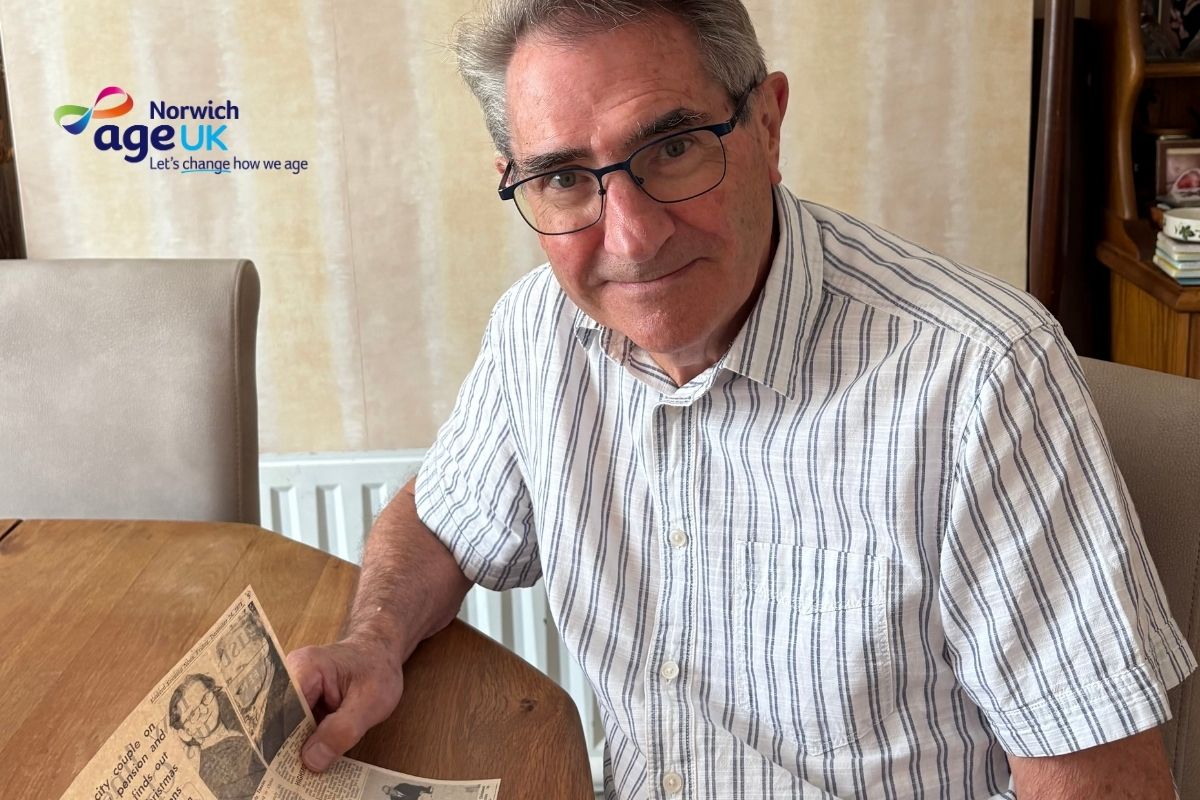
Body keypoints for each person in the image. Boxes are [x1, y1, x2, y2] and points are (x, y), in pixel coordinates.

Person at [288, 1, 1197, 797]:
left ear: (767, 124)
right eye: (564, 178)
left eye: (673, 148)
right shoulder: (538, 330)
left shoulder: (981, 378)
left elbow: (1099, 783)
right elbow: (442, 522)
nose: (632, 239)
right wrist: (373, 641)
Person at [215, 605, 308, 763]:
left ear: (263, 647)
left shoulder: (290, 696)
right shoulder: (233, 720)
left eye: (241, 668)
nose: (234, 688)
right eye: (229, 681)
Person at [168, 673, 267, 800]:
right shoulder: (212, 767)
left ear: (214, 692)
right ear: (184, 733)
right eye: (192, 714)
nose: (204, 711)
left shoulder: (234, 730)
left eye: (204, 699)